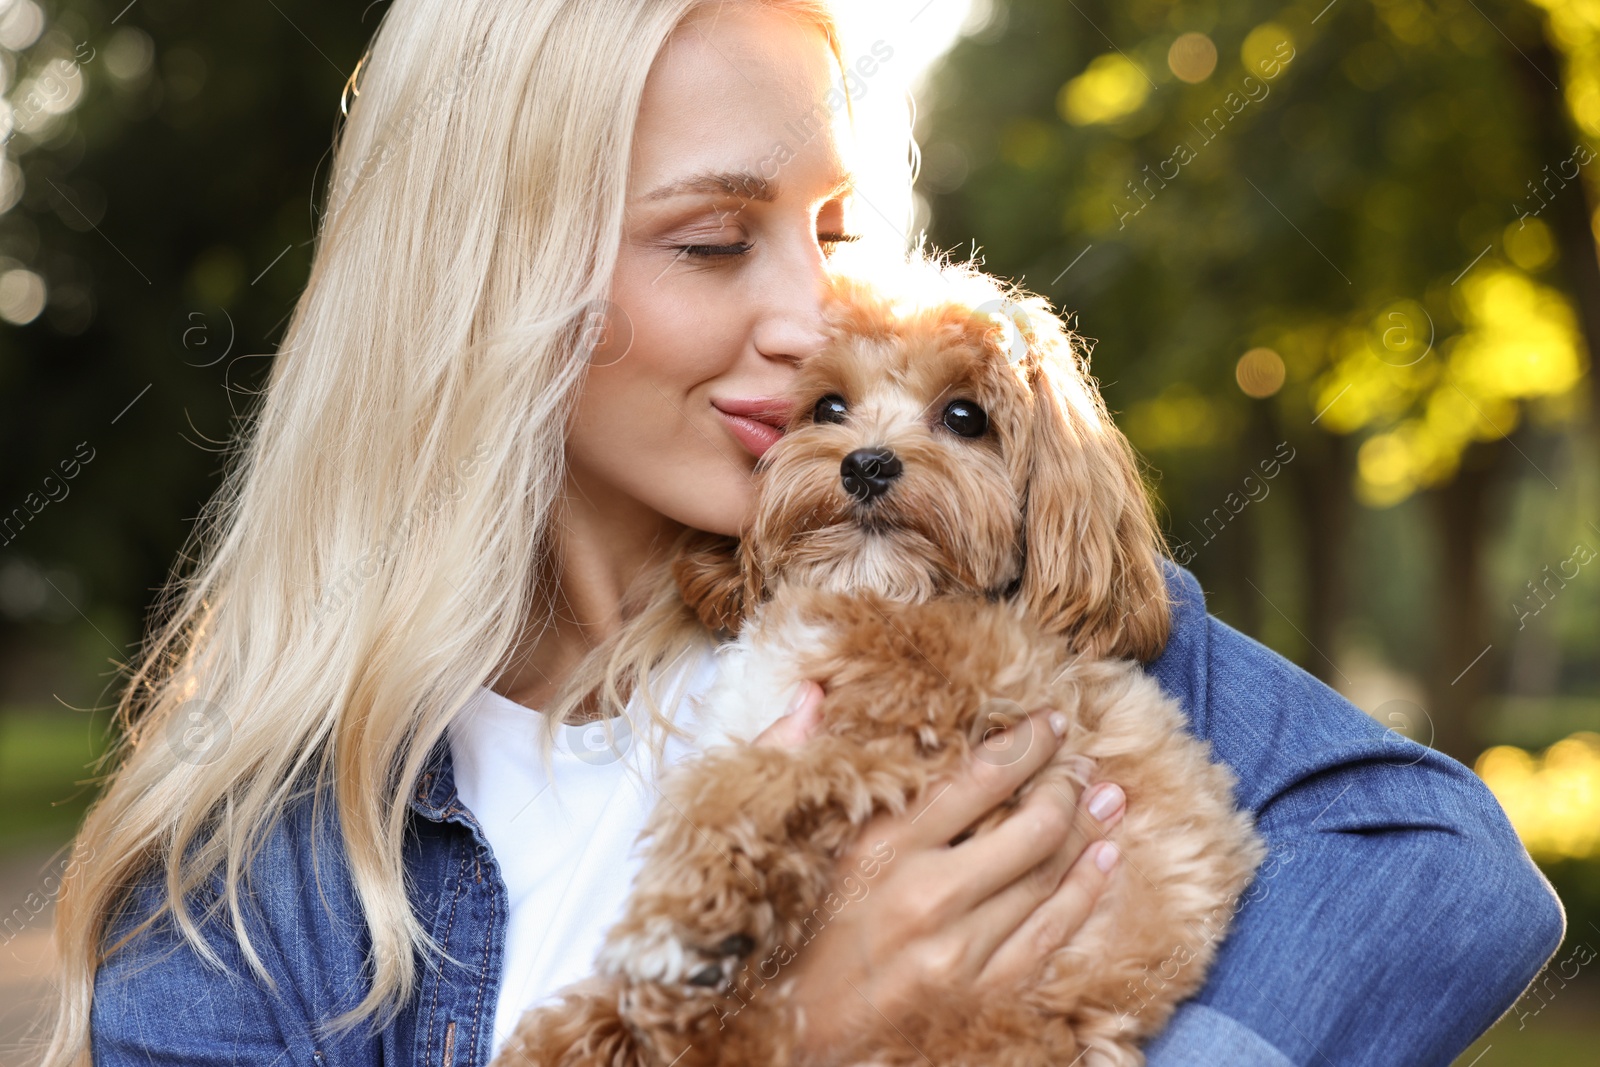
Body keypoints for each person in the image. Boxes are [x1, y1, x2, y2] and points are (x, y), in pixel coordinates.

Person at [47, 2, 1562, 1065]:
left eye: (834, 231)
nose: (805, 316)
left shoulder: (1024, 617)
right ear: (483, 288)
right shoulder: (259, 885)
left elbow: (1446, 874)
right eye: (714, 242)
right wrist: (792, 1037)